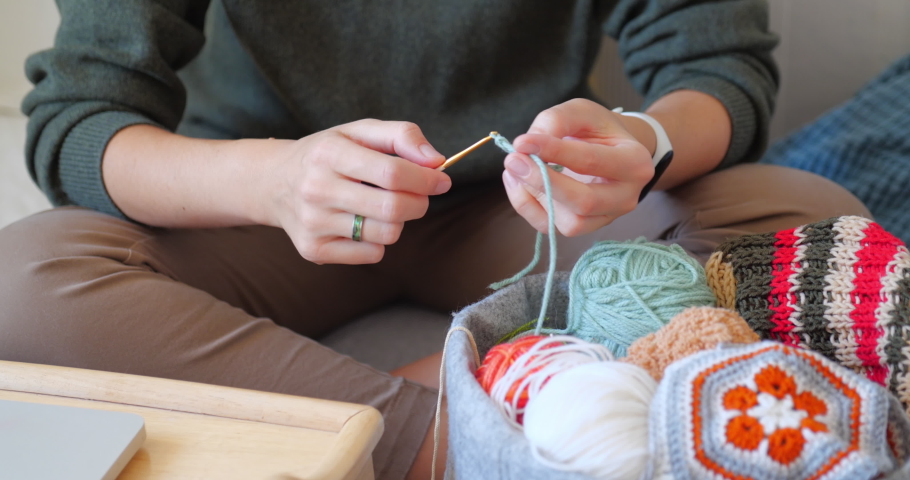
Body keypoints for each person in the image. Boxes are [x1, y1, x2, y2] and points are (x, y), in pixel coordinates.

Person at [0, 1, 870, 479]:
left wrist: (639, 143)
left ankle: (449, 386)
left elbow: (719, 69)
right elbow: (80, 119)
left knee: (808, 220)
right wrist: (269, 179)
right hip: (257, 214)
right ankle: (451, 437)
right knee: (25, 283)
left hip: (518, 207)